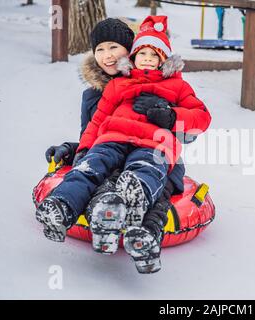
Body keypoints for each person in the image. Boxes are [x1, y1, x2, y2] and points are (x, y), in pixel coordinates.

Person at [36, 16, 211, 274]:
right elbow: (93, 130)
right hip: (113, 145)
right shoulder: (103, 91)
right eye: (100, 49)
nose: (107, 55)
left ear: (128, 50)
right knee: (96, 171)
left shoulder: (171, 85)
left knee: (147, 175)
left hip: (154, 150)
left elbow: (193, 127)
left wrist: (168, 113)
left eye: (114, 47)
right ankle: (81, 210)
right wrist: (75, 150)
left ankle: (144, 232)